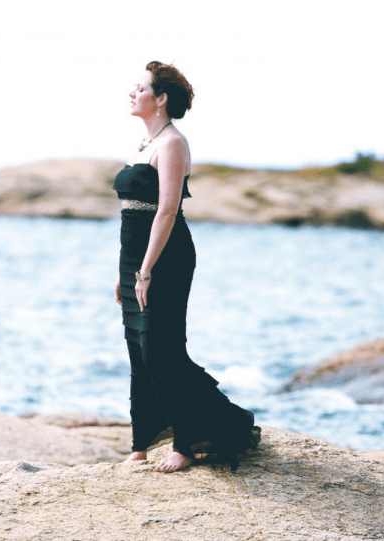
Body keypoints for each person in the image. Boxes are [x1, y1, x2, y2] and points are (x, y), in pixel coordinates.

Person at [113, 61, 260, 473]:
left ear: (160, 99)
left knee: (162, 351)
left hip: (167, 257)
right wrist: (125, 272)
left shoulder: (172, 143)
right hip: (135, 257)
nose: (131, 93)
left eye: (139, 88)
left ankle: (193, 439)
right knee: (138, 351)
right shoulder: (144, 144)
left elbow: (166, 211)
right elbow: (132, 217)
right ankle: (142, 441)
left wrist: (146, 270)